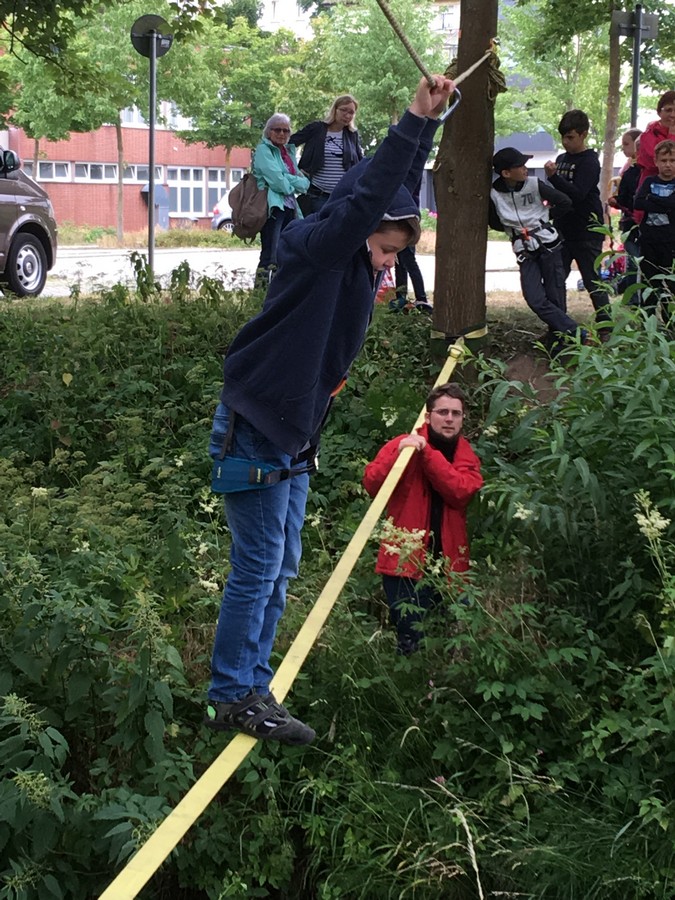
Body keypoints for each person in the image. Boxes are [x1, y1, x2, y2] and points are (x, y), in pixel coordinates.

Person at [204, 74, 456, 744]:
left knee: (281, 567)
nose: (386, 264)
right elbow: (363, 198)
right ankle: (231, 694)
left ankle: (252, 681)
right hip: (258, 426)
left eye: (395, 255)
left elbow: (388, 189)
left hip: (294, 433)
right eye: (384, 249)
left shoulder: (358, 261)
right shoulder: (317, 249)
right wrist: (412, 116)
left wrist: (429, 128)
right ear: (358, 230)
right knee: (258, 568)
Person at [362, 384, 482, 655]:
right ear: (428, 416)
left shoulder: (466, 456)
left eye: (456, 413)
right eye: (442, 412)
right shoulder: (403, 444)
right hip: (405, 563)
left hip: (450, 567)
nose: (449, 419)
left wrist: (426, 453)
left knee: (452, 643)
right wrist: (398, 453)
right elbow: (371, 483)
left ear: (463, 419)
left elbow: (460, 491)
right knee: (410, 641)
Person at [489, 146, 585, 350]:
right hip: (524, 251)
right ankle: (576, 332)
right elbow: (494, 221)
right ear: (506, 173)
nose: (526, 168)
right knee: (534, 298)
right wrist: (514, 230)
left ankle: (559, 344)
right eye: (520, 166)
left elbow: (565, 202)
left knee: (555, 295)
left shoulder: (534, 184)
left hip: (550, 246)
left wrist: (543, 219)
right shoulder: (494, 194)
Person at [544, 109, 612, 332]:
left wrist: (554, 178)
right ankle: (558, 327)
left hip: (586, 229)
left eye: (570, 137)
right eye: (563, 137)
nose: (565, 142)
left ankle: (606, 326)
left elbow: (578, 194)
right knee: (556, 279)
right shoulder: (562, 160)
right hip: (563, 229)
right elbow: (560, 195)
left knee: (592, 280)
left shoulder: (590, 161)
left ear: (583, 134)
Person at [252, 113, 309, 286]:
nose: (282, 134)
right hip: (273, 208)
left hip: (290, 207)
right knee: (270, 255)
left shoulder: (288, 152)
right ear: (269, 131)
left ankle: (278, 292)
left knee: (286, 253)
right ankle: (260, 293)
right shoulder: (263, 150)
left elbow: (305, 183)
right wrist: (291, 182)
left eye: (286, 131)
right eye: (277, 130)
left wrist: (287, 178)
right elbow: (278, 182)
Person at [290, 95, 363, 215]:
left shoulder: (352, 134)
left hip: (342, 197)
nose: (347, 115)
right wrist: (296, 170)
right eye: (344, 110)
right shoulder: (316, 128)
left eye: (351, 112)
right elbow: (289, 144)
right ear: (335, 110)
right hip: (317, 196)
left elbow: (360, 162)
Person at [633, 139, 675, 317]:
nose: (668, 165)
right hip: (649, 241)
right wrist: (664, 205)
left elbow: (672, 204)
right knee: (649, 283)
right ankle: (647, 320)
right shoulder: (649, 181)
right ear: (656, 162)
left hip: (670, 243)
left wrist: (652, 199)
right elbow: (638, 203)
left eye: (672, 160)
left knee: (670, 283)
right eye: (664, 160)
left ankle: (669, 321)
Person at [607, 128, 642, 296]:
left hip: (636, 222)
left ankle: (633, 296)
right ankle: (631, 296)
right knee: (632, 260)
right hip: (630, 222)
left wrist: (618, 201)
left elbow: (626, 198)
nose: (623, 148)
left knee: (635, 261)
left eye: (626, 144)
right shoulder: (628, 170)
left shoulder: (636, 172)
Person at [636, 92, 675, 195]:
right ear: (659, 112)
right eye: (668, 110)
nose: (673, 115)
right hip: (652, 191)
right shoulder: (649, 134)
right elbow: (654, 163)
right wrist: (672, 135)